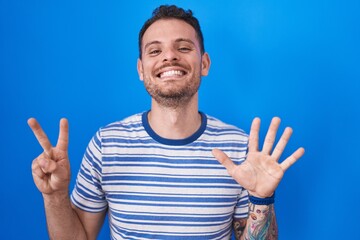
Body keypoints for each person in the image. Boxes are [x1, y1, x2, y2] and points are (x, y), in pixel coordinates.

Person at [28, 5, 305, 240]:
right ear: (141, 69)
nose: (169, 56)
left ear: (204, 63)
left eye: (183, 47)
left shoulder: (240, 149)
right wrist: (54, 197)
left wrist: (261, 200)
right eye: (154, 51)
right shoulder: (106, 144)